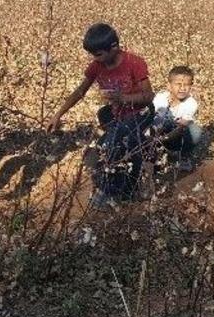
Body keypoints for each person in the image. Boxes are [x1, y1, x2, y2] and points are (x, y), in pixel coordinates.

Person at [46, 23, 155, 208]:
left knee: (109, 144)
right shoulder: (97, 66)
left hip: (141, 112)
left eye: (98, 54)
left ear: (114, 47)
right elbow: (80, 91)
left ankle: (108, 192)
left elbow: (148, 96)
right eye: (93, 55)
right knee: (125, 143)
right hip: (118, 113)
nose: (96, 59)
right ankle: (131, 182)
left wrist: (124, 98)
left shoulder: (134, 63)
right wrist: (58, 114)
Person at [153, 65, 202, 171]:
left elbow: (180, 128)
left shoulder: (191, 104)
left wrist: (162, 139)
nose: (182, 88)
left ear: (191, 86)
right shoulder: (160, 98)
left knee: (195, 130)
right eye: (178, 84)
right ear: (169, 86)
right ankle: (157, 154)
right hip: (155, 134)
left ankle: (183, 157)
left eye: (186, 85)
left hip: (174, 136)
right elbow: (151, 118)